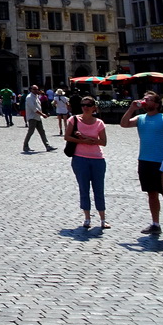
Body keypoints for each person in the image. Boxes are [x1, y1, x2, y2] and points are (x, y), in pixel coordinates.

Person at [121, 91, 163, 237]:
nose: (145, 101)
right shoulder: (141, 118)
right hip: (145, 161)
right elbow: (124, 124)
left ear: (156, 103)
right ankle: (156, 224)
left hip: (162, 162)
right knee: (151, 194)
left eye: (148, 99)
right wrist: (131, 109)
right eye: (144, 98)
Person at [65, 97, 109, 230]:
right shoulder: (74, 120)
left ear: (94, 107)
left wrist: (87, 138)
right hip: (80, 158)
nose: (85, 107)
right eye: (83, 105)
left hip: (97, 159)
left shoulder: (99, 123)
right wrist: (83, 141)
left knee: (99, 189)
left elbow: (103, 142)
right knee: (84, 189)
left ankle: (102, 219)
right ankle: (87, 218)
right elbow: (67, 137)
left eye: (88, 105)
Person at [23, 85, 57, 153]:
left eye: (37, 89)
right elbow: (34, 109)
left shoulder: (36, 97)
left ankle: (47, 146)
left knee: (42, 132)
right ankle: (25, 146)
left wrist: (43, 113)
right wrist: (42, 114)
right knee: (30, 132)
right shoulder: (29, 97)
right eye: (34, 89)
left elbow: (38, 107)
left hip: (37, 117)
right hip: (32, 117)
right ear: (31, 90)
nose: (36, 90)